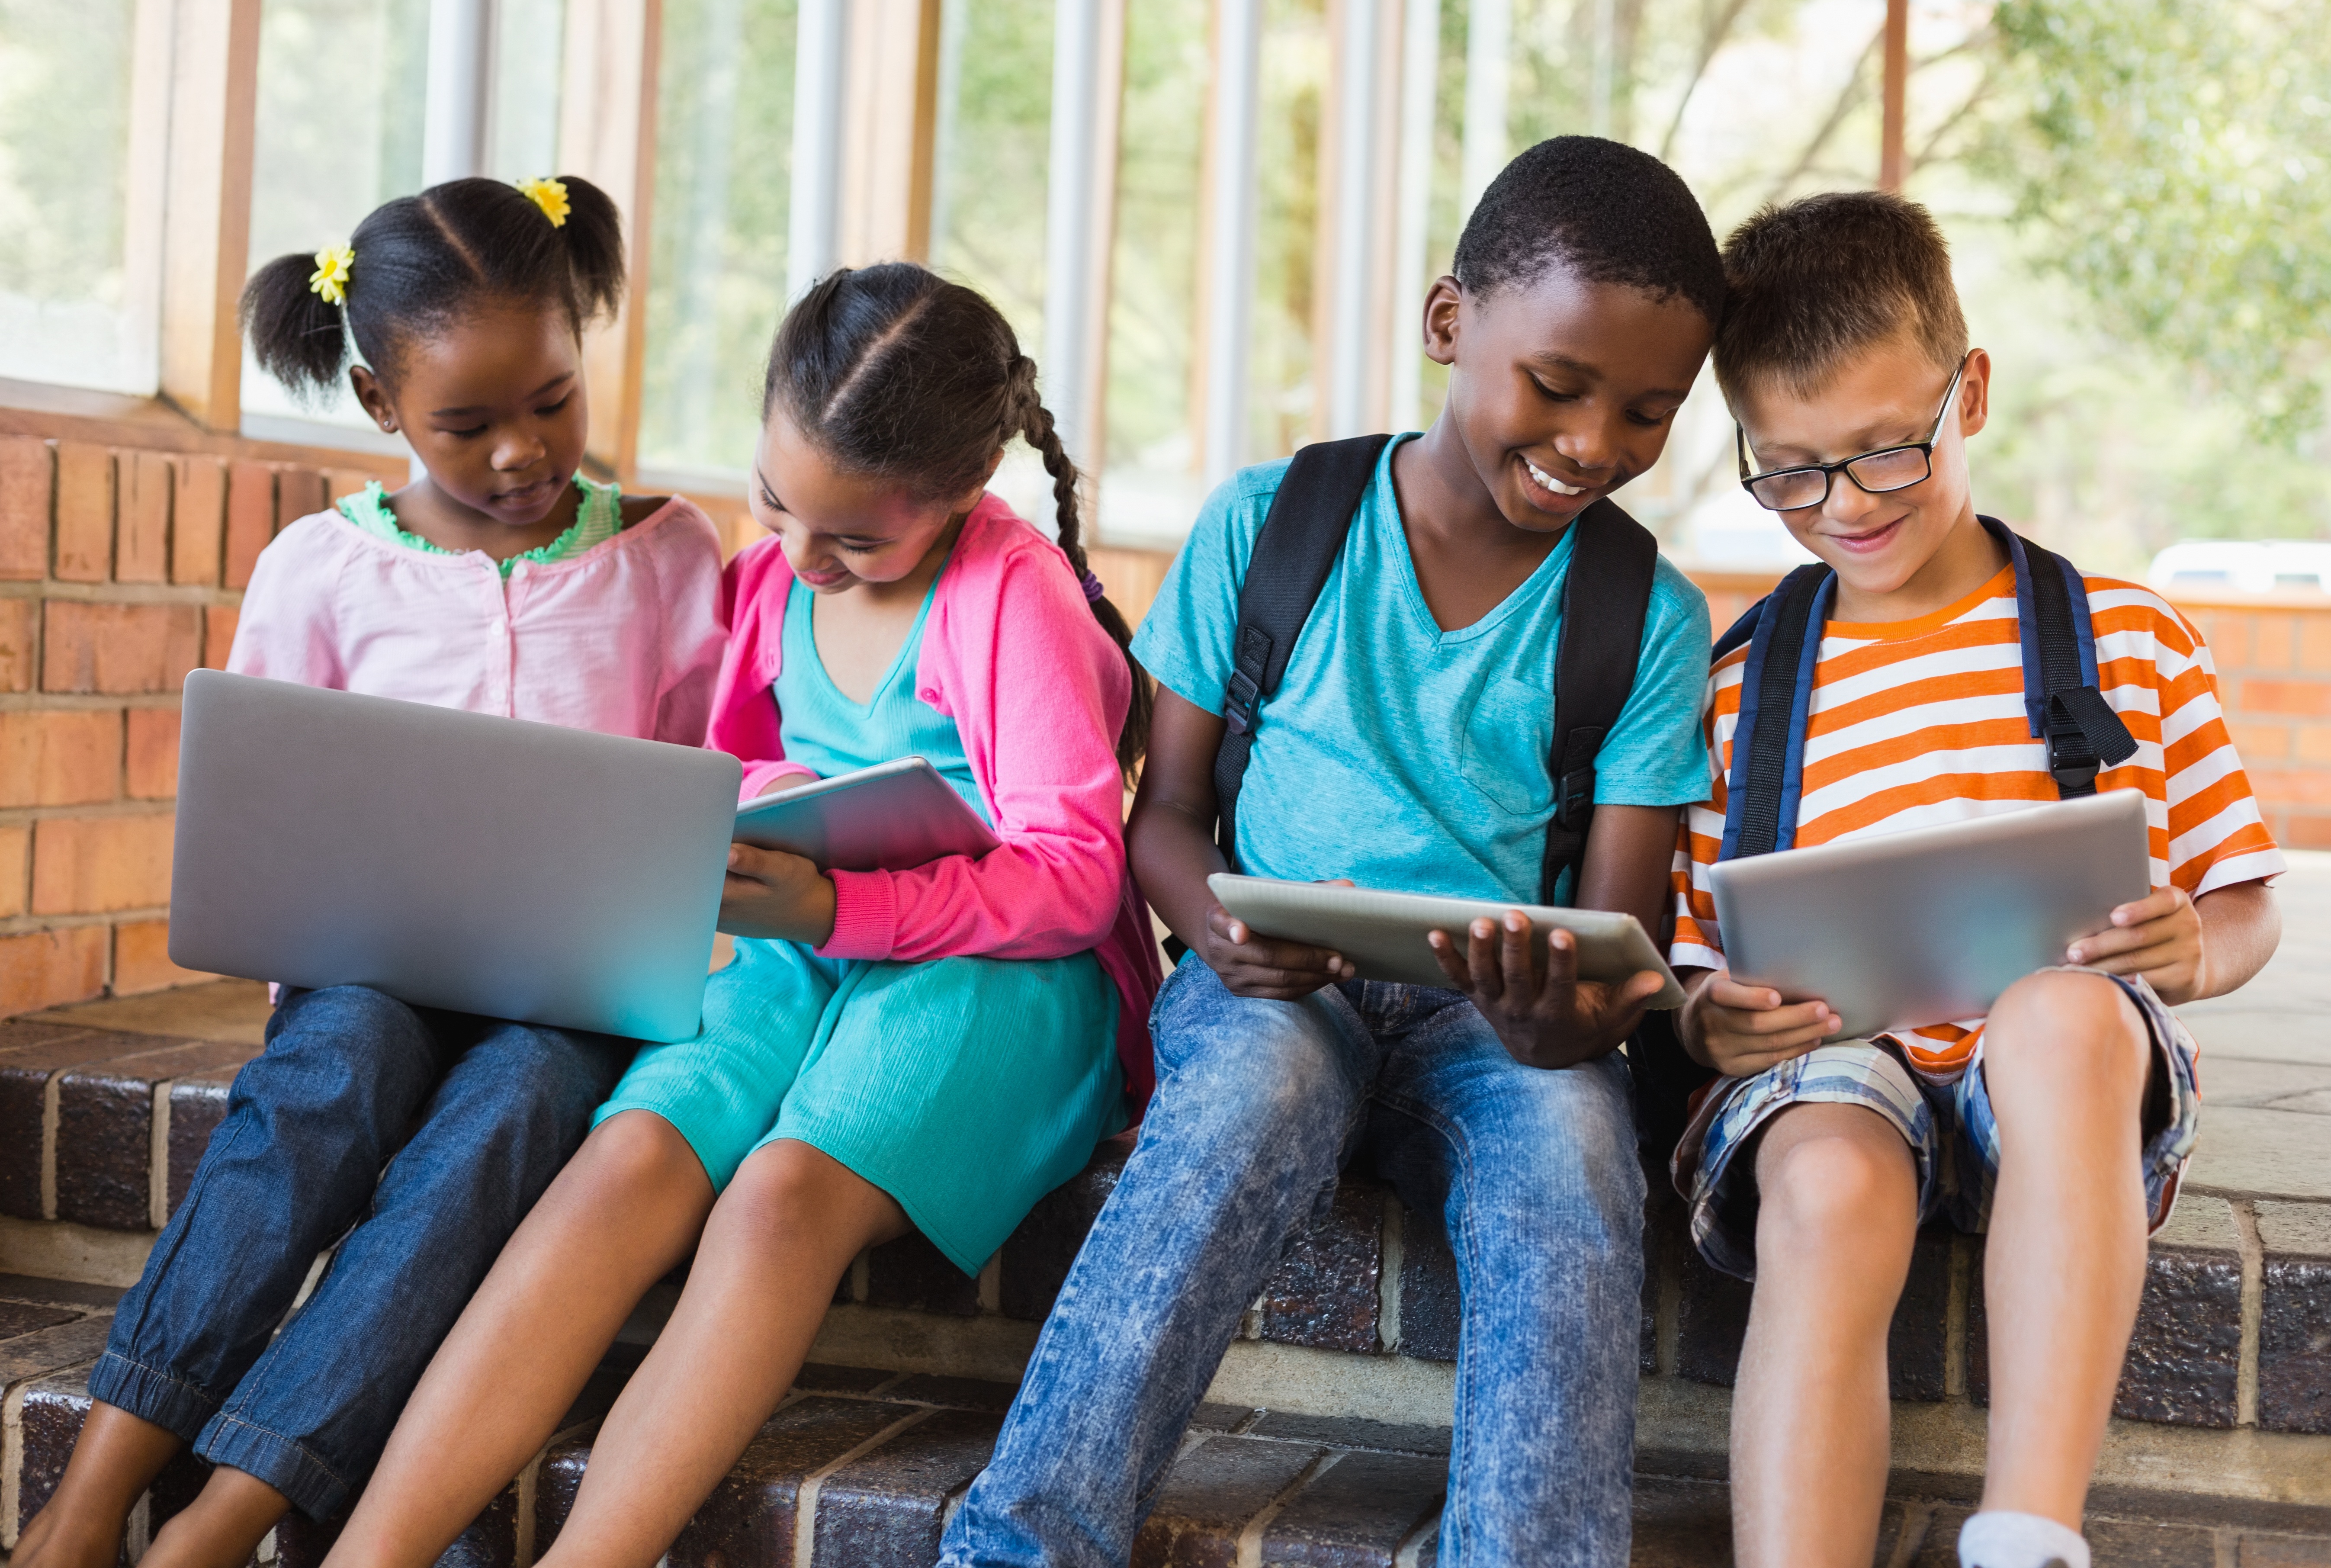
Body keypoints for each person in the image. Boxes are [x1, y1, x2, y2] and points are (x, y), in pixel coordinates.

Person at [940, 135, 1724, 1568]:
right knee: (1251, 1088)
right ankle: (1024, 1546)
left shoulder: (1644, 619)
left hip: (1499, 1037)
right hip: (1270, 988)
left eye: (1649, 415)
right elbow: (1162, 820)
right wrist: (1221, 932)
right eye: (1558, 387)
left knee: (1572, 1151)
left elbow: (1620, 951)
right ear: (1448, 323)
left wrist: (1572, 1026)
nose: (1597, 444)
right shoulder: (1272, 526)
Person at [323, 262, 1161, 1568]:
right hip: (812, 939)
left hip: (1009, 967)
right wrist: (747, 840)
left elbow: (1076, 875)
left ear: (964, 490)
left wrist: (838, 901)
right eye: (776, 501)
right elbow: (736, 763)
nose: (802, 555)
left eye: (858, 540)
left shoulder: (1014, 594)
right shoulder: (776, 577)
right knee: (631, 1156)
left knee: (777, 1196)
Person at [12, 175, 727, 1568]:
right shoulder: (321, 568)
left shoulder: (667, 554)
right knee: (327, 1078)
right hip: (363, 973)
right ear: (377, 404)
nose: (525, 452)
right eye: (469, 424)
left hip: (569, 999)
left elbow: (714, 777)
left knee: (511, 1110)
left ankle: (230, 1516)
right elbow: (265, 811)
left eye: (555, 402)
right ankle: (90, 1498)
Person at [1668, 191, 2284, 1568]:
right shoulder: (1736, 687)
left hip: (2054, 1089)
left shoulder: (2124, 638)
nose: (1847, 507)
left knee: (2058, 1014)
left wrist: (2195, 952)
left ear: (1972, 392)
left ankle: (2025, 1532)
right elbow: (1702, 961)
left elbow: (2244, 903)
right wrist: (1715, 1022)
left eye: (1889, 452)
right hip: (1842, 1076)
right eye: (1794, 473)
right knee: (1823, 1181)